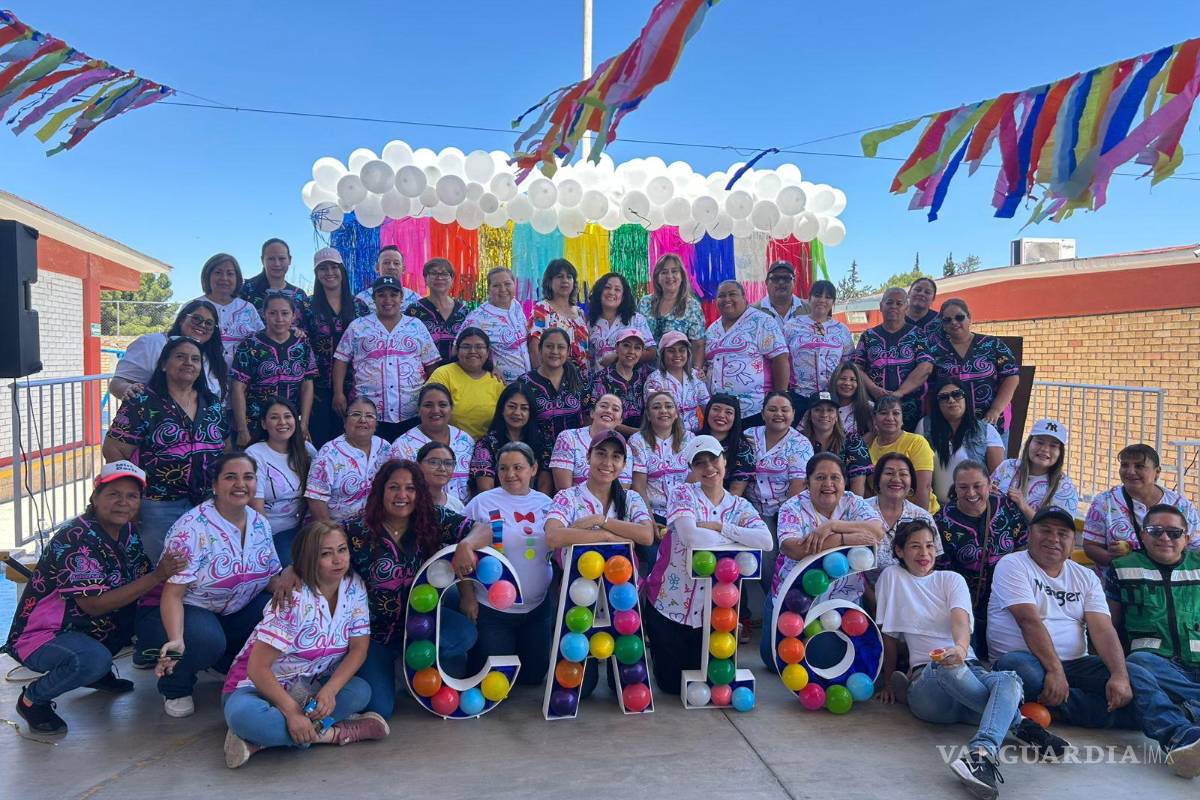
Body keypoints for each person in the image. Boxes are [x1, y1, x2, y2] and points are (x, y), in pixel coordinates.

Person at [876, 520, 1069, 799]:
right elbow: (889, 635)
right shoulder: (892, 577)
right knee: (948, 667)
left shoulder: (951, 579)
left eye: (929, 546)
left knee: (1009, 680)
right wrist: (886, 681)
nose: (924, 553)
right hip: (930, 684)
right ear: (899, 551)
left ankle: (981, 755)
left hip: (970, 672)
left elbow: (960, 620)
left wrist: (960, 648)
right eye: (915, 546)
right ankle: (1020, 724)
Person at [7, 462, 185, 735]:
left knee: (162, 622)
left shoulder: (127, 532)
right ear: (95, 497)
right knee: (90, 659)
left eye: (132, 496)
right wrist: (159, 575)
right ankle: (33, 699)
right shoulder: (76, 538)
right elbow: (94, 605)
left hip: (91, 629)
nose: (123, 502)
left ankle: (98, 673)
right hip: (44, 636)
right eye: (113, 494)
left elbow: (142, 579)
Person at [221, 521, 386, 768]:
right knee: (245, 717)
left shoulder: (354, 586)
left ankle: (260, 742)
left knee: (360, 691)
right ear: (309, 558)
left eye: (342, 550)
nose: (338, 560)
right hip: (256, 689)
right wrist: (291, 712)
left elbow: (359, 648)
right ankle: (334, 734)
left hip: (306, 690)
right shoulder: (293, 596)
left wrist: (329, 691)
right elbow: (257, 669)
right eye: (326, 554)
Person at [140, 452, 283, 718]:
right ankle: (175, 686)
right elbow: (173, 595)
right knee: (205, 638)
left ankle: (225, 662)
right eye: (230, 477)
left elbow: (270, 579)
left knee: (278, 610)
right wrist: (176, 639)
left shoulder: (259, 523)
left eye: (248, 477)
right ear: (215, 485)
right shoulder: (191, 528)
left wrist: (299, 588)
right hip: (192, 609)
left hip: (236, 608)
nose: (240, 484)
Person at [347, 460, 492, 718]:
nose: (402, 495)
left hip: (423, 625)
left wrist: (466, 544)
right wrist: (293, 569)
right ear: (381, 491)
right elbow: (321, 546)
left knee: (464, 634)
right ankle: (390, 667)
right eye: (394, 487)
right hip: (374, 635)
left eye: (410, 488)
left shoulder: (432, 519)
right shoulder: (356, 530)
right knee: (380, 709)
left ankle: (411, 662)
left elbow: (484, 530)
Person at [988, 507, 1136, 735]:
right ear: (1030, 534)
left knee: (1135, 675)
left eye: (1063, 534)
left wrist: (1119, 676)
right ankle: (1118, 715)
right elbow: (1029, 621)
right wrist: (1055, 671)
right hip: (1028, 661)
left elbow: (1103, 630)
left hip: (1076, 664)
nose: (1053, 539)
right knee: (1022, 674)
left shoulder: (1086, 576)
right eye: (1045, 530)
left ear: (1073, 543)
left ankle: (1177, 729)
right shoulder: (1012, 564)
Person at [644, 435, 772, 694]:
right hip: (671, 604)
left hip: (713, 613)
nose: (709, 467)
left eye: (713, 459)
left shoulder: (740, 505)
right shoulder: (683, 493)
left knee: (709, 679)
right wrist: (738, 539)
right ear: (692, 469)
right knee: (671, 685)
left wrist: (719, 527)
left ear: (725, 461)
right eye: (700, 463)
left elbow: (765, 541)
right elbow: (691, 538)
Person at [544, 430, 655, 700]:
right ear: (588, 457)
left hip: (621, 595)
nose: (607, 462)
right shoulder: (569, 496)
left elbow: (646, 535)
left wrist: (600, 522)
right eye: (601, 454)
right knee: (580, 687)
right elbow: (553, 536)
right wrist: (606, 537)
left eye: (616, 457)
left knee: (626, 682)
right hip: (579, 594)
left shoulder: (630, 498)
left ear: (624, 464)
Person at [103, 336, 229, 561]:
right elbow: (113, 449)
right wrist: (131, 497)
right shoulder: (142, 402)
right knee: (160, 569)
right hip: (158, 505)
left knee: (201, 565)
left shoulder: (212, 403)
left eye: (195, 359)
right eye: (180, 357)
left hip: (206, 503)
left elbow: (226, 448)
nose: (188, 363)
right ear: (163, 364)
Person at [763, 453, 883, 669]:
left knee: (835, 662)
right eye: (820, 478)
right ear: (807, 482)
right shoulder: (793, 506)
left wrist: (832, 527)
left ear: (844, 482)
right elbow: (793, 548)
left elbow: (877, 531)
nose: (828, 484)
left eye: (835, 477)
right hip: (796, 596)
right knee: (776, 662)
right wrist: (844, 540)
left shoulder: (853, 502)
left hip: (843, 597)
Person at [1106, 504, 1200, 778]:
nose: (1165, 538)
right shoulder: (1122, 568)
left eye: (1174, 533)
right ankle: (1181, 733)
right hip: (1157, 668)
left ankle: (1188, 710)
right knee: (1135, 664)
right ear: (1143, 535)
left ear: (1187, 537)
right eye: (1156, 531)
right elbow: (1108, 626)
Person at [464, 443, 556, 687]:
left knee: (533, 678)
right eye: (503, 468)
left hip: (537, 609)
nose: (510, 474)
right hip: (492, 610)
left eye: (518, 467)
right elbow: (459, 551)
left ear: (533, 469)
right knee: (494, 681)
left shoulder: (548, 503)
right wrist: (467, 597)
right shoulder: (481, 503)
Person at [934, 460, 1029, 658]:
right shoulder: (942, 520)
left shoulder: (1007, 507)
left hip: (1007, 601)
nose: (971, 493)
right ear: (955, 488)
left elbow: (1023, 546)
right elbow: (941, 570)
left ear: (989, 484)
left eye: (978, 486)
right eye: (963, 487)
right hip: (965, 609)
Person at [333, 276, 440, 442]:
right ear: (373, 298)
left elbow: (431, 364)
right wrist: (338, 393)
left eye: (393, 295)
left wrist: (432, 399)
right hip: (369, 412)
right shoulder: (358, 326)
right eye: (381, 295)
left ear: (401, 297)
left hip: (411, 411)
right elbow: (341, 360)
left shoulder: (416, 325)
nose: (387, 300)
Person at [1083, 443, 1200, 573]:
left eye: (1139, 466)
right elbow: (1090, 546)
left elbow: (1195, 549)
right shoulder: (1105, 502)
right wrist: (1116, 561)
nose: (1130, 471)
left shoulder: (1182, 506)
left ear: (1157, 472)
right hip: (1120, 582)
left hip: (1171, 583)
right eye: (1124, 465)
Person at [230, 292, 316, 447]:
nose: (279, 319)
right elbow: (238, 387)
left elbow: (307, 384)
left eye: (285, 313)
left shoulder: (302, 344)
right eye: (273, 313)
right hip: (256, 423)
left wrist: (304, 424)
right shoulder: (250, 344)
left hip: (290, 423)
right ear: (264, 314)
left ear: (293, 316)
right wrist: (242, 429)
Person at [926, 299, 1020, 437]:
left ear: (969, 317)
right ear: (943, 325)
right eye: (947, 320)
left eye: (959, 317)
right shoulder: (935, 352)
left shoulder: (993, 345)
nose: (954, 322)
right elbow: (930, 387)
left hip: (991, 423)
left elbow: (1011, 376)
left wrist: (995, 409)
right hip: (952, 427)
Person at [704, 280, 790, 428]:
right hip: (720, 414)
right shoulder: (712, 329)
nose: (727, 299)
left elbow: (780, 359)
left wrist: (779, 399)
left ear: (744, 297)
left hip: (754, 410)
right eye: (721, 296)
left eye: (732, 294)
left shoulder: (762, 321)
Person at [107, 300, 227, 402]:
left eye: (209, 323)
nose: (202, 325)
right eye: (196, 319)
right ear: (182, 319)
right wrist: (129, 390)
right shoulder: (152, 344)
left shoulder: (213, 357)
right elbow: (117, 383)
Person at [851, 288, 933, 432]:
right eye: (889, 302)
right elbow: (857, 367)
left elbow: (926, 366)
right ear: (881, 306)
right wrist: (874, 389)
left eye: (899, 303)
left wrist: (900, 392)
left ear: (906, 307)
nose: (894, 306)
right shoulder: (868, 336)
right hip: (875, 407)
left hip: (911, 408)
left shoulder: (918, 335)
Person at [247, 398, 317, 565]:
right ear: (264, 424)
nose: (282, 422)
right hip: (270, 532)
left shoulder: (306, 449)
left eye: (287, 416)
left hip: (302, 527)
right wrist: (266, 545)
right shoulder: (254, 454)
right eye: (274, 417)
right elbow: (256, 509)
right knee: (294, 569)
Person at [917, 377, 1004, 506]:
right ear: (937, 403)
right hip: (935, 509)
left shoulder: (987, 431)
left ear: (966, 398)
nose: (951, 400)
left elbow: (997, 478)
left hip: (974, 507)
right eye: (944, 397)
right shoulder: (924, 426)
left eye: (957, 394)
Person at [305, 397, 390, 523]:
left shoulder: (384, 447)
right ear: (345, 422)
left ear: (376, 424)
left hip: (375, 524)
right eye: (356, 414)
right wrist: (331, 531)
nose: (363, 420)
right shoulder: (328, 454)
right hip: (336, 526)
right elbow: (315, 499)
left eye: (369, 416)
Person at [516, 327, 589, 472]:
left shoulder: (580, 380)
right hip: (536, 459)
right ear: (540, 349)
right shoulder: (525, 383)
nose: (555, 351)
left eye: (560, 347)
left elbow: (588, 418)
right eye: (549, 346)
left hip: (574, 458)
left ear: (568, 351)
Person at [388, 384, 475, 504]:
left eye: (442, 405)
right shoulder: (402, 445)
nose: (435, 410)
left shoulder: (465, 440)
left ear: (451, 408)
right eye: (428, 405)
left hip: (464, 512)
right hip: (421, 512)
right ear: (418, 410)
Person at [307, 248, 359, 448]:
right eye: (323, 268)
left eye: (334, 267)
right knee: (320, 441)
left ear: (342, 270)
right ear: (316, 274)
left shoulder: (359, 306)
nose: (329, 272)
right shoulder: (307, 307)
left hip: (354, 386)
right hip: (317, 388)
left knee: (350, 441)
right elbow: (301, 346)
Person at [783, 279, 853, 417]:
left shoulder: (842, 329)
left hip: (833, 398)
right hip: (799, 397)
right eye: (818, 295)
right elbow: (782, 359)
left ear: (833, 302)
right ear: (809, 298)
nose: (822, 300)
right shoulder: (791, 326)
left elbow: (848, 364)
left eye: (828, 297)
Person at [631, 391, 696, 533]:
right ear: (648, 415)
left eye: (669, 406)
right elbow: (638, 486)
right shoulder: (637, 441)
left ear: (676, 413)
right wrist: (650, 521)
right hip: (654, 513)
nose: (663, 411)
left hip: (686, 513)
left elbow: (696, 479)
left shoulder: (690, 439)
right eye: (656, 407)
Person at [991, 418, 1079, 522]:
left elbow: (1057, 528)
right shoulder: (1007, 466)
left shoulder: (1065, 487)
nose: (1045, 449)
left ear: (1060, 452)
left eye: (1053, 446)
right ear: (1029, 443)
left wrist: (1024, 506)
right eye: (1040, 442)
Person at [745, 391, 811, 530]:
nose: (778, 414)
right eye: (772, 409)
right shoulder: (748, 435)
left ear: (793, 414)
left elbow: (797, 486)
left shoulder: (801, 444)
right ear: (763, 414)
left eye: (784, 410)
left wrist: (783, 519)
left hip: (782, 513)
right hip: (747, 509)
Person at [551, 393, 644, 490]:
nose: (609, 411)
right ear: (592, 413)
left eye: (615, 409)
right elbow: (564, 490)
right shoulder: (568, 438)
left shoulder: (625, 449)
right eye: (603, 406)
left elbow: (623, 490)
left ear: (620, 421)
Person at [426, 327, 504, 440]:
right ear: (457, 351)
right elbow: (429, 411)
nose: (472, 351)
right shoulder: (443, 374)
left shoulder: (496, 381)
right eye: (466, 346)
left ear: (488, 353)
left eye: (479, 347)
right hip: (447, 443)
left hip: (484, 445)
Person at [868, 453, 939, 575]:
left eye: (903, 474)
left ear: (911, 482)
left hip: (910, 585)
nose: (896, 479)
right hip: (862, 586)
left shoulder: (922, 517)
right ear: (878, 479)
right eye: (889, 473)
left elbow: (931, 564)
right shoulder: (859, 510)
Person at [471, 383, 547, 495]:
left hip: (533, 503)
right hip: (496, 502)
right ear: (502, 409)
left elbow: (545, 485)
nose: (517, 413)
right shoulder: (486, 444)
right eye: (512, 406)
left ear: (530, 413)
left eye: (524, 408)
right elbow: (485, 489)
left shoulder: (542, 441)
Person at [867, 395, 937, 513]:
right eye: (883, 413)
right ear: (874, 418)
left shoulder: (916, 442)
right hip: (882, 515)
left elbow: (924, 488)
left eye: (896, 413)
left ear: (902, 418)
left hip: (918, 514)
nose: (890, 418)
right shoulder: (868, 446)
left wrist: (920, 520)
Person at [636, 253, 706, 369]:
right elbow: (636, 337)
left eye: (674, 271)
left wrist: (695, 372)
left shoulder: (692, 306)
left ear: (682, 276)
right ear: (657, 278)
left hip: (677, 372)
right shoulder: (645, 302)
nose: (669, 276)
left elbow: (698, 345)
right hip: (644, 371)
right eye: (664, 272)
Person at [462, 267, 530, 383]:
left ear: (514, 285)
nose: (503, 289)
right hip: (499, 386)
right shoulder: (477, 318)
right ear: (488, 289)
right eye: (496, 285)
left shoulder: (516, 306)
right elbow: (459, 351)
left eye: (507, 284)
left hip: (526, 383)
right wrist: (488, 367)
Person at [799, 391, 873, 496]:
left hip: (844, 501)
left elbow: (857, 486)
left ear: (837, 415)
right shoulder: (798, 441)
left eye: (830, 410)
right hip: (806, 500)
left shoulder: (853, 441)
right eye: (818, 410)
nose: (824, 414)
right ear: (810, 415)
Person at [198, 252, 264, 369]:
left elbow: (264, 340)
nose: (224, 278)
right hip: (202, 376)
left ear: (237, 278)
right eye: (218, 272)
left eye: (230, 273)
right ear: (207, 276)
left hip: (243, 376)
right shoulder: (194, 307)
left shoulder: (248, 308)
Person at [527, 258, 588, 374]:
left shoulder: (580, 313)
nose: (565, 281)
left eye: (569, 277)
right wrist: (543, 379)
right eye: (560, 276)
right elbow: (534, 349)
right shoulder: (542, 309)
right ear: (549, 282)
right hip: (552, 377)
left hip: (581, 379)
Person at [587, 272, 656, 372]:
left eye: (617, 289)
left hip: (631, 380)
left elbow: (652, 352)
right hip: (599, 381)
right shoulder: (590, 323)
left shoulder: (636, 319)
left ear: (623, 297)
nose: (611, 292)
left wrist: (618, 356)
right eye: (607, 287)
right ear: (599, 292)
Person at [406, 257, 468, 366]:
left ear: (452, 279)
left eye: (444, 274)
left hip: (458, 371)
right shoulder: (414, 310)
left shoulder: (463, 311)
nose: (439, 277)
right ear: (425, 279)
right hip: (424, 372)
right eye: (434, 273)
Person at [643, 331, 710, 432]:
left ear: (688, 353)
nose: (677, 354)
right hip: (666, 434)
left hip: (695, 435)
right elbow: (653, 414)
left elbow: (706, 407)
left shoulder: (695, 375)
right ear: (662, 354)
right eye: (671, 351)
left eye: (682, 350)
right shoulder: (653, 380)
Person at [240, 238, 311, 333]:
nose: (277, 264)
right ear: (262, 260)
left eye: (281, 258)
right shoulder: (246, 290)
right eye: (271, 259)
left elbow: (307, 330)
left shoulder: (300, 295)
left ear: (289, 260)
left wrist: (300, 332)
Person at [590, 329, 652, 436]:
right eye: (626, 345)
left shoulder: (644, 380)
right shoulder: (601, 379)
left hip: (639, 440)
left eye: (637, 348)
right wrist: (637, 433)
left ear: (642, 352)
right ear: (617, 348)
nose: (631, 351)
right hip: (608, 438)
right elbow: (594, 416)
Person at [696, 394, 755, 496]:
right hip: (693, 498)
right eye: (716, 409)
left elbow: (735, 492)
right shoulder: (693, 441)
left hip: (728, 502)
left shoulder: (742, 448)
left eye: (729, 412)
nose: (721, 415)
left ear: (735, 418)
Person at [353, 245, 420, 314]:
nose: (391, 267)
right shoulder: (362, 299)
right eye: (386, 263)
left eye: (396, 263)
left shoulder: (415, 300)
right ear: (377, 268)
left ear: (403, 269)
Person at [753, 260, 810, 327]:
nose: (781, 282)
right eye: (775, 278)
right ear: (766, 282)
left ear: (794, 282)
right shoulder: (752, 312)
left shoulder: (809, 309)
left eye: (786, 278)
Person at [416, 441, 466, 513]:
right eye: (434, 462)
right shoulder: (408, 501)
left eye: (448, 463)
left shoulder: (456, 506)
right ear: (418, 466)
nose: (442, 469)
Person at [830, 360, 873, 438]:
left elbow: (875, 433)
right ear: (834, 380)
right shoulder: (824, 407)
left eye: (852, 379)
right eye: (843, 378)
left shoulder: (869, 407)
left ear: (858, 383)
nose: (847, 383)